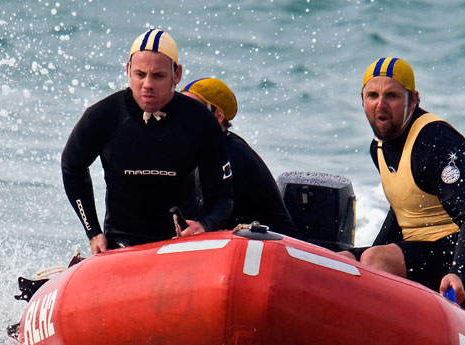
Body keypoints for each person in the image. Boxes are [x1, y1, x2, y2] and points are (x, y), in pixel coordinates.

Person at [341, 57, 465, 309]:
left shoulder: (434, 142)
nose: (380, 105)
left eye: (392, 96)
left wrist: (457, 272)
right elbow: (403, 210)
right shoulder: (379, 148)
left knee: (375, 259)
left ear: (413, 99)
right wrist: (363, 259)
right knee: (341, 261)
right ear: (362, 100)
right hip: (422, 249)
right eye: (372, 95)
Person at [62, 29, 233, 255]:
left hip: (182, 241)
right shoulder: (104, 116)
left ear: (177, 75)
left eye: (158, 76)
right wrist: (93, 231)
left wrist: (205, 225)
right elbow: (72, 167)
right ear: (128, 70)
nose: (147, 84)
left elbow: (222, 197)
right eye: (140, 74)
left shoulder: (199, 121)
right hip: (122, 243)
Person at [181, 77, 299, 236]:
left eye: (193, 109)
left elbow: (209, 215)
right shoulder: (201, 149)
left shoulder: (233, 155)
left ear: (218, 116)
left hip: (276, 244)